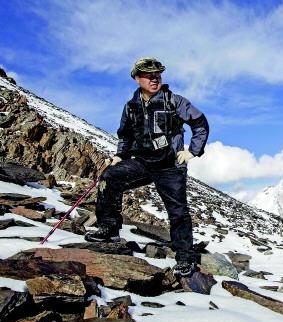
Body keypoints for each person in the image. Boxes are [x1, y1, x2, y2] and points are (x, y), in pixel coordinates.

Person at [84, 57, 209, 277]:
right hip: (142, 162)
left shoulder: (174, 101)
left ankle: (185, 258)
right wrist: (120, 156)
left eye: (158, 75)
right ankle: (109, 229)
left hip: (170, 165)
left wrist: (192, 151)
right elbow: (125, 134)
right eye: (149, 76)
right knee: (110, 177)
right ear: (137, 78)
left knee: (178, 211)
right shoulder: (131, 107)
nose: (154, 79)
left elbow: (200, 123)